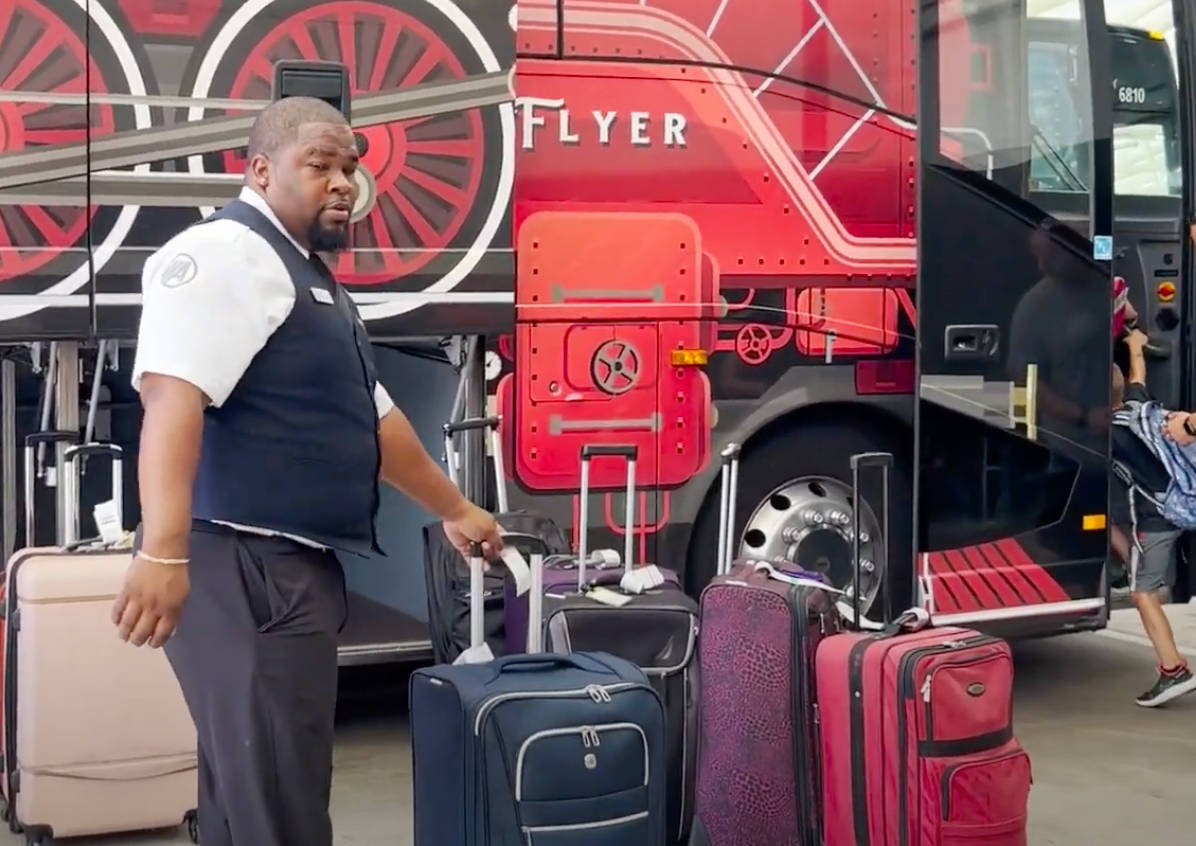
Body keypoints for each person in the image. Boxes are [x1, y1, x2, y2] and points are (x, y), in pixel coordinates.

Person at [115, 96, 504, 846]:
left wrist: (457, 508)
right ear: (260, 169)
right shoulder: (226, 255)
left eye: (350, 167)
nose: (341, 183)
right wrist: (161, 550)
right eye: (318, 164)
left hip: (286, 572)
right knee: (280, 809)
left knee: (256, 798)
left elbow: (377, 423)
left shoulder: (304, 279)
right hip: (243, 568)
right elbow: (172, 397)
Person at [1110, 328, 1195, 707]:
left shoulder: (1106, 434)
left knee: (1143, 593)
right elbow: (1137, 378)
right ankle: (1130, 563)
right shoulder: (1138, 409)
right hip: (1184, 505)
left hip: (1158, 520)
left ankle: (1173, 670)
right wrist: (1134, 346)